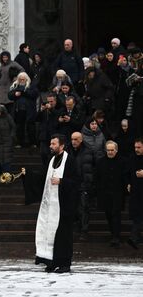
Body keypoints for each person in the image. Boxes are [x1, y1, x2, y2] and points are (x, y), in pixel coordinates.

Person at [35, 134, 80, 273]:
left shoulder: (70, 160)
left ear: (61, 146)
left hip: (64, 206)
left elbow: (77, 181)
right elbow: (42, 176)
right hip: (50, 206)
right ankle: (52, 261)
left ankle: (65, 263)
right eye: (50, 143)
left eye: (54, 144)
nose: (51, 146)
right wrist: (28, 175)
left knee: (64, 236)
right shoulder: (51, 160)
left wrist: (61, 181)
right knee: (51, 234)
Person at [95, 141, 128, 248]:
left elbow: (125, 176)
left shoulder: (123, 161)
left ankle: (116, 237)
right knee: (108, 214)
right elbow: (97, 176)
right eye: (108, 150)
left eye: (112, 150)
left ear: (116, 150)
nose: (110, 152)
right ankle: (113, 233)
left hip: (118, 192)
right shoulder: (100, 161)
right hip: (105, 193)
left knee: (116, 214)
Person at [67, 132, 94, 237]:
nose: (73, 142)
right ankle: (77, 227)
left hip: (83, 183)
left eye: (76, 139)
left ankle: (84, 230)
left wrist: (89, 182)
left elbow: (92, 167)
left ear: (81, 140)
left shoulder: (88, 150)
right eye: (72, 139)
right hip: (71, 183)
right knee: (73, 207)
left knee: (84, 207)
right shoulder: (67, 150)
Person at [7, 72, 38, 148]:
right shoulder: (15, 85)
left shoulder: (31, 86)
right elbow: (9, 95)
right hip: (18, 110)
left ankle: (32, 142)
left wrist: (23, 90)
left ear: (26, 79)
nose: (22, 80)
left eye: (23, 79)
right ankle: (20, 142)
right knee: (19, 127)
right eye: (20, 79)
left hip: (29, 110)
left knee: (30, 127)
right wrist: (15, 94)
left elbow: (34, 94)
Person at [127, 138, 143, 249]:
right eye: (135, 147)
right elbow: (128, 171)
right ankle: (135, 238)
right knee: (137, 216)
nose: (136, 149)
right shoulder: (132, 158)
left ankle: (134, 238)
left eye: (139, 147)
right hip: (136, 191)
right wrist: (128, 183)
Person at [36, 94, 60, 167]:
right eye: (48, 101)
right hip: (44, 136)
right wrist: (40, 110)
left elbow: (57, 116)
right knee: (43, 154)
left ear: (55, 101)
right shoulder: (45, 110)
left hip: (54, 136)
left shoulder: (59, 108)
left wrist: (51, 109)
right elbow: (37, 119)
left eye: (51, 101)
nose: (49, 103)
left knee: (52, 156)